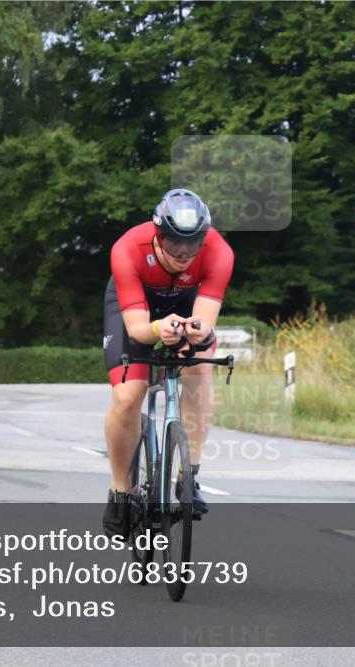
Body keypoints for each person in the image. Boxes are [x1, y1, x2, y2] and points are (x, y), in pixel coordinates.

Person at [102, 189, 234, 538]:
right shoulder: (128, 249)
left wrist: (199, 333)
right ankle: (120, 491)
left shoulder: (219, 252)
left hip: (188, 306)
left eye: (193, 242)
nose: (184, 252)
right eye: (175, 240)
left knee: (200, 368)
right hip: (137, 311)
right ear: (158, 233)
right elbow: (139, 331)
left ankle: (188, 476)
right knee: (128, 397)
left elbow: (205, 324)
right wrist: (160, 328)